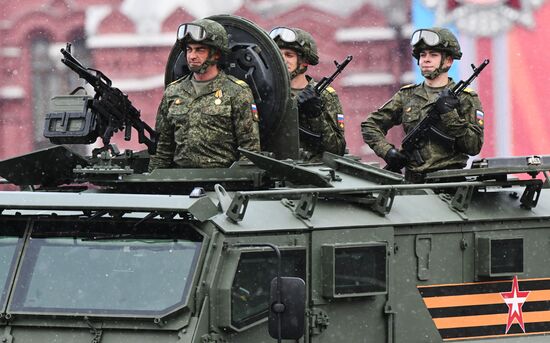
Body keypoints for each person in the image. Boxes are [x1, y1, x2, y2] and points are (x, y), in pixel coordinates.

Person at [361, 27, 484, 182]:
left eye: (433, 55)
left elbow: (473, 147)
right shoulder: (407, 95)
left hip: (450, 185)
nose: (425, 59)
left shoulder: (465, 98)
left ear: (448, 61)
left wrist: (449, 114)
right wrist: (388, 152)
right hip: (412, 185)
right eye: (422, 55)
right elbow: (370, 125)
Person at [148, 18, 260, 171]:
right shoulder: (173, 92)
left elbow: (249, 149)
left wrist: (240, 182)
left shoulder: (237, 92)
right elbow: (163, 148)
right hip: (179, 180)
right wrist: (153, 181)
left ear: (215, 54)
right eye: (189, 49)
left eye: (200, 50)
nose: (192, 56)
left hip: (222, 182)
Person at [269, 26, 346, 161]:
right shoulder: (265, 93)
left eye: (289, 55)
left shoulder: (324, 95)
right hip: (271, 170)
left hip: (311, 172)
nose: (282, 59)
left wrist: (315, 116)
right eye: (278, 54)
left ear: (304, 62)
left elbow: (337, 149)